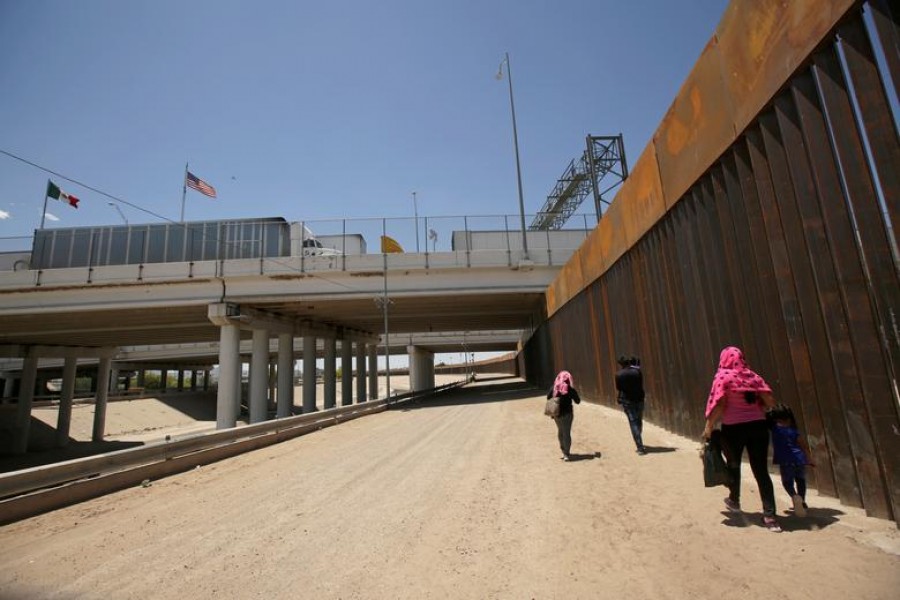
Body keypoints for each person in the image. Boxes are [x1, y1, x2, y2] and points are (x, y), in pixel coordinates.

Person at [702, 346, 781, 532]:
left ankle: (734, 500)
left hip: (734, 428)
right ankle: (770, 516)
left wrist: (709, 426)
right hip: (758, 427)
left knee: (734, 464)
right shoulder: (753, 376)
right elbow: (770, 401)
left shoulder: (723, 377)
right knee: (761, 471)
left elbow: (720, 405)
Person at [767, 404, 814, 517]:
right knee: (800, 479)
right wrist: (809, 458)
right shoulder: (793, 431)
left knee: (787, 482)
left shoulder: (775, 430)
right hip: (799, 459)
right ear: (789, 418)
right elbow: (803, 445)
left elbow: (767, 417)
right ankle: (802, 500)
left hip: (785, 460)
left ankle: (794, 496)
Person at [615, 355, 647, 455]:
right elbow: (641, 384)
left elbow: (619, 388)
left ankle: (640, 446)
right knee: (638, 420)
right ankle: (639, 437)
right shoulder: (637, 372)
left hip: (627, 401)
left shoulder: (619, 375)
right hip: (639, 399)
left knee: (633, 422)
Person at [547, 370, 581, 461]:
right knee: (566, 432)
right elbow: (578, 401)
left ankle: (563, 451)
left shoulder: (554, 387)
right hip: (567, 413)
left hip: (556, 413)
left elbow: (548, 397)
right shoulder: (569, 388)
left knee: (560, 431)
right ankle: (566, 453)